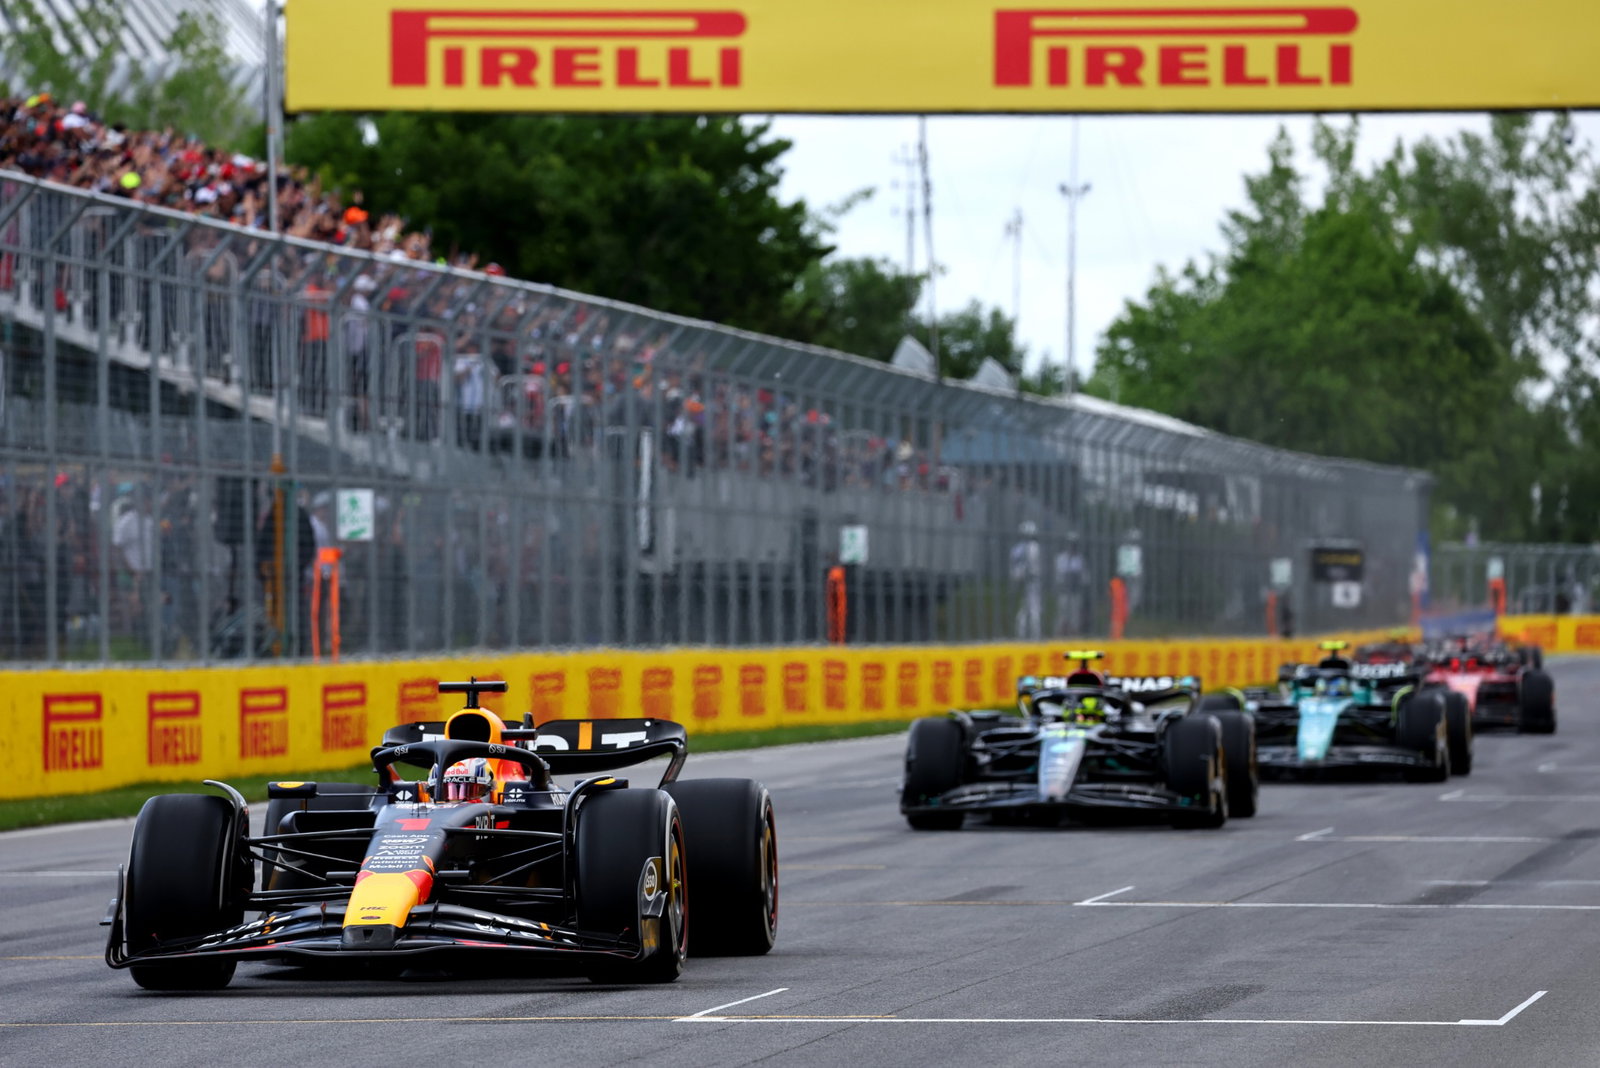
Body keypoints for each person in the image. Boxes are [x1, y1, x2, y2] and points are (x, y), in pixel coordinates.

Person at [1011, 520, 1042, 639]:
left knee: (1024, 610)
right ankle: (1035, 637)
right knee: (1034, 610)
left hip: (1022, 581)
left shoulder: (1017, 548)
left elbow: (1014, 570)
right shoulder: (1034, 547)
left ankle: (1021, 635)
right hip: (1031, 580)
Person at [1054, 533, 1086, 636]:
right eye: (1070, 544)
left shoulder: (1080, 559)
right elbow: (1058, 576)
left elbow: (1084, 577)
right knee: (1062, 616)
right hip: (1063, 592)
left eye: (1074, 544)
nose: (1072, 546)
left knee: (1075, 617)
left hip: (1075, 592)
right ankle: (1059, 637)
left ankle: (1074, 637)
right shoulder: (1061, 558)